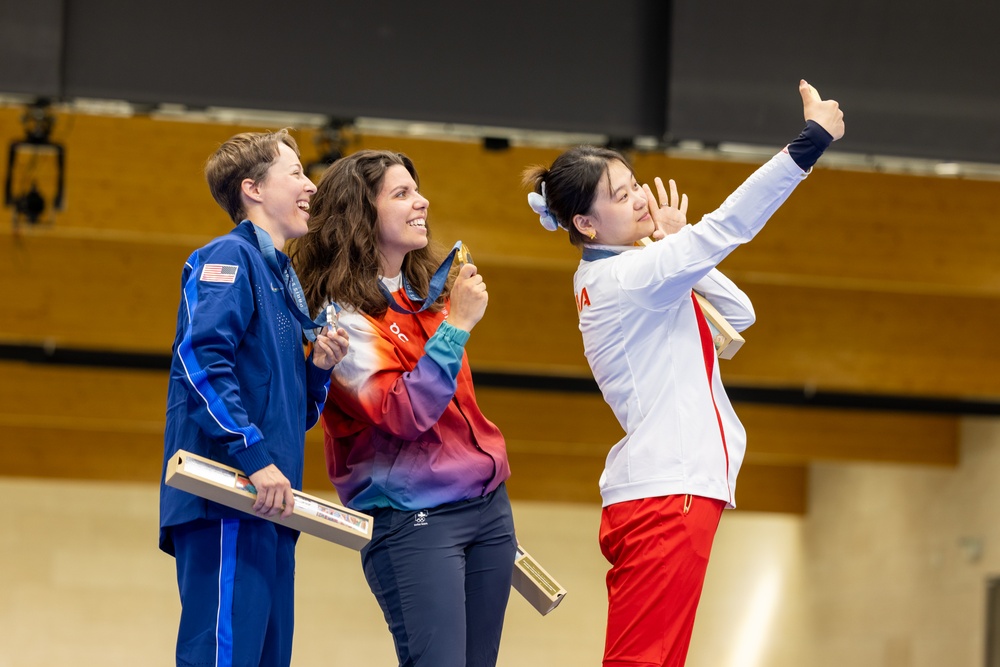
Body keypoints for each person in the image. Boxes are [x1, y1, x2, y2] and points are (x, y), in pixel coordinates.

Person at [522, 81, 845, 667]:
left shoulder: (631, 269)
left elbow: (740, 316)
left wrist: (673, 244)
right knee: (642, 660)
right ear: (586, 225)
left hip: (672, 492)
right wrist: (809, 143)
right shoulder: (631, 278)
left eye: (634, 184)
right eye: (620, 198)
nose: (641, 199)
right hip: (668, 494)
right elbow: (727, 227)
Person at [291, 149, 517, 667]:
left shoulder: (423, 296)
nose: (423, 201)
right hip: (414, 520)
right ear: (361, 214)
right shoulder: (340, 318)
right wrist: (457, 325)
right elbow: (404, 413)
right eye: (402, 193)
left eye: (416, 190)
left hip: (488, 511)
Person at [158, 128, 350, 667]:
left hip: (269, 501)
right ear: (253, 189)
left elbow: (295, 414)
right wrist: (255, 456)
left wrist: (318, 371)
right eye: (296, 174)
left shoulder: (282, 281)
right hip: (228, 494)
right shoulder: (227, 257)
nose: (312, 186)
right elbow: (199, 362)